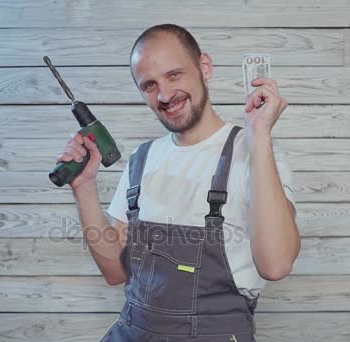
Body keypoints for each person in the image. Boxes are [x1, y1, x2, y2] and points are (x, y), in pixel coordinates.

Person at [57, 23, 301, 342]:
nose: (165, 94)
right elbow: (116, 272)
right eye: (149, 85)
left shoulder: (258, 154)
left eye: (174, 75)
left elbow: (276, 265)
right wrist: (84, 186)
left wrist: (259, 135)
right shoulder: (142, 159)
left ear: (205, 67)